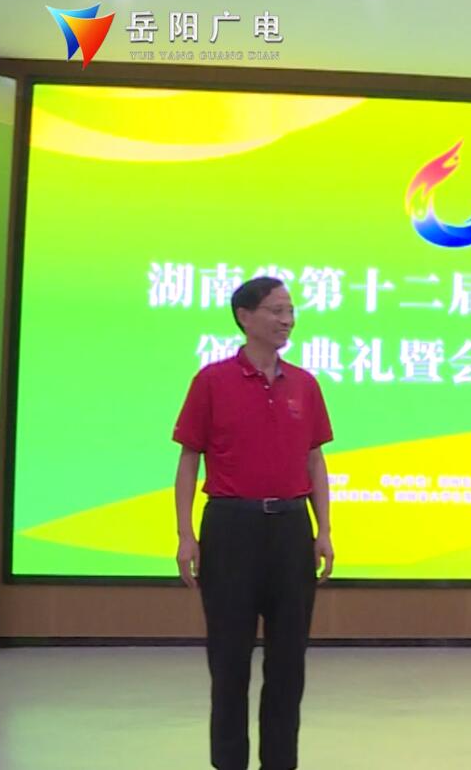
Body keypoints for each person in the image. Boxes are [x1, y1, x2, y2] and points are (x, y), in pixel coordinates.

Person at [172, 276, 336, 770]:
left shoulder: (305, 384)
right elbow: (189, 460)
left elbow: (315, 460)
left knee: (289, 662)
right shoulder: (212, 381)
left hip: (290, 529)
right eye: (276, 310)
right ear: (244, 317)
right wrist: (185, 535)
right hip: (230, 528)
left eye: (291, 311)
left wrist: (324, 529)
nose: (287, 320)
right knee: (229, 662)